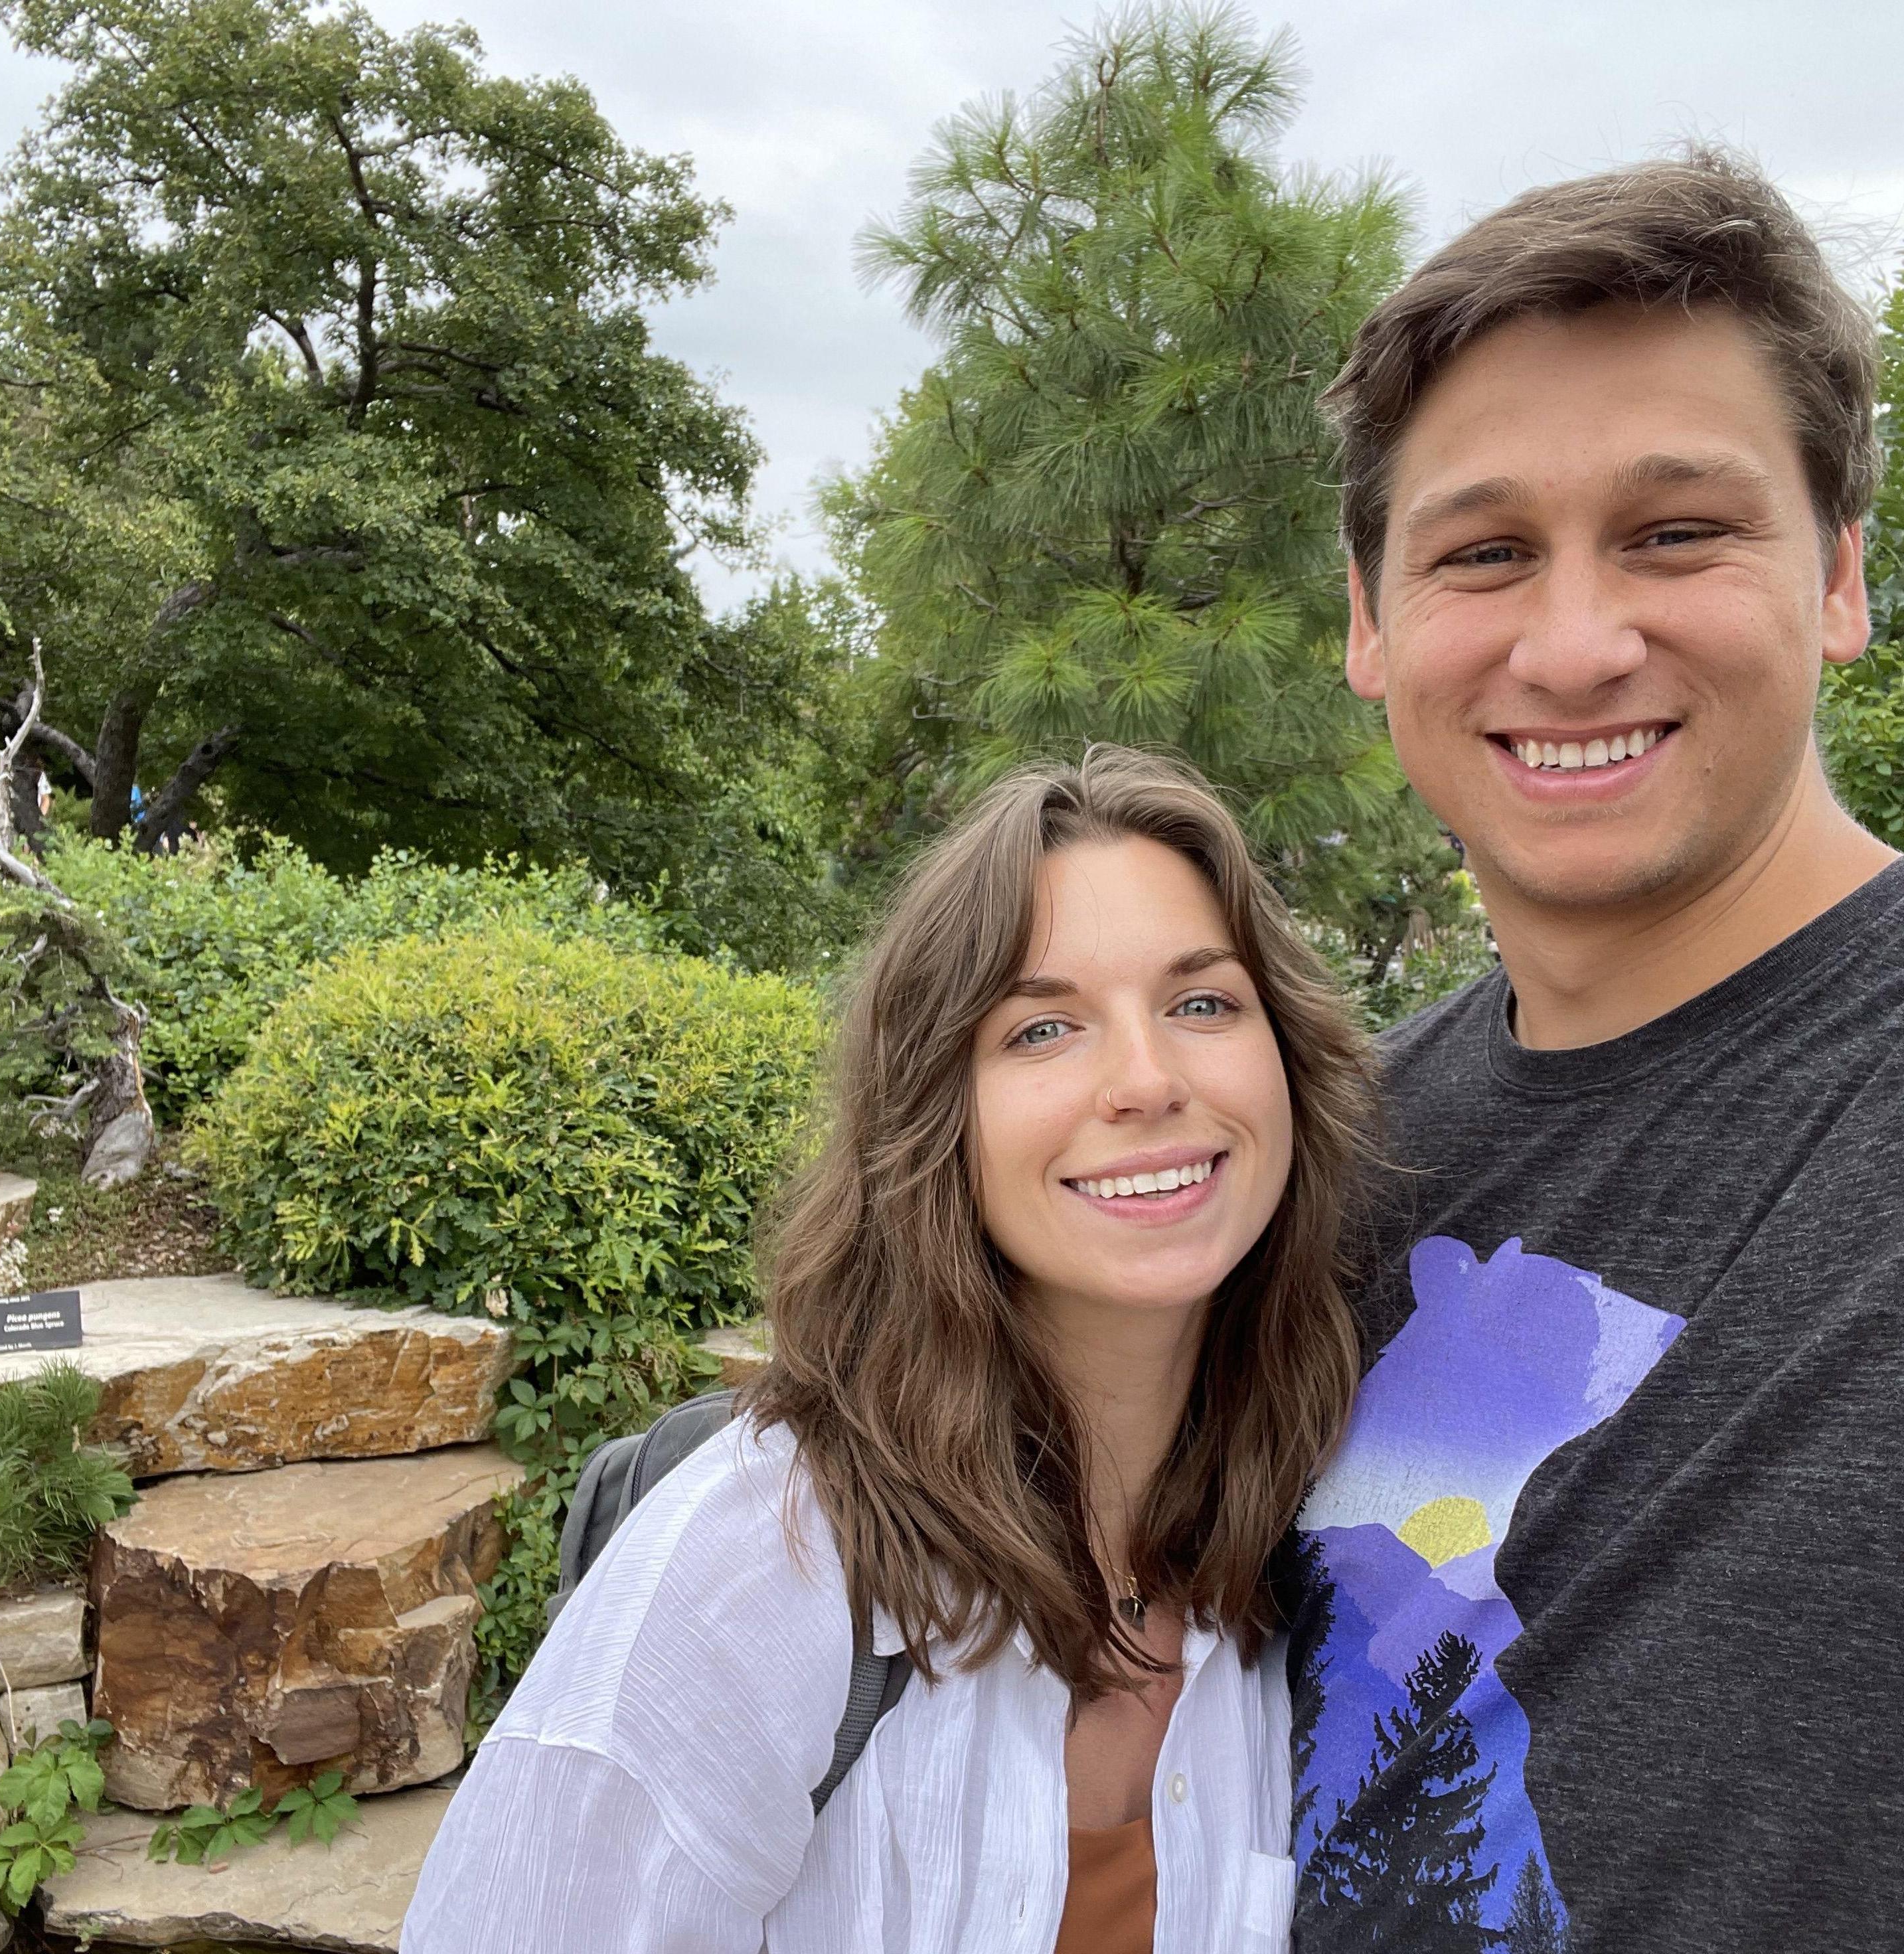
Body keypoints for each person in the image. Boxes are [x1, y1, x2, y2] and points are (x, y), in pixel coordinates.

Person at [403, 748, 1374, 1951]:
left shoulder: (1302, 1548)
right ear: (934, 1118)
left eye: (1203, 1003)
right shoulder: (762, 1564)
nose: (1146, 1079)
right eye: (1043, 1028)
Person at [1284, 151, 1904, 1954]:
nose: (1572, 643)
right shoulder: (1312, 1163)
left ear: (1842, 578)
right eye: (1484, 555)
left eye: (1676, 532)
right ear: (1372, 625)